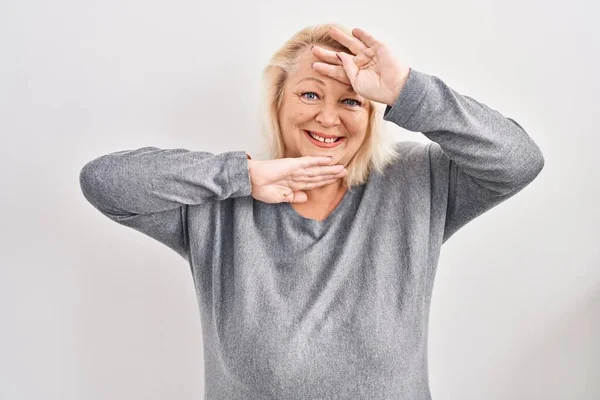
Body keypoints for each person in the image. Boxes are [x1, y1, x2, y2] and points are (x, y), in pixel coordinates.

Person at [79, 23, 544, 400]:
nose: (328, 118)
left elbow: (518, 160)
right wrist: (242, 176)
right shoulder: (217, 205)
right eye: (309, 94)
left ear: (372, 113)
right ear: (278, 100)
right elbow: (104, 182)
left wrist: (406, 89)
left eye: (350, 100)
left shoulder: (417, 182)